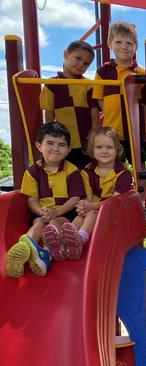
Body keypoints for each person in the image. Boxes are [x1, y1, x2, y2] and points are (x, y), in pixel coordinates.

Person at [5, 122, 84, 278]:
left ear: (68, 150)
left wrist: (56, 212)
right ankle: (23, 248)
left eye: (62, 145)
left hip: (64, 211)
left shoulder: (72, 170)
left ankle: (45, 253)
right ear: (39, 146)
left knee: (56, 223)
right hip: (42, 212)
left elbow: (75, 198)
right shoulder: (33, 171)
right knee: (39, 223)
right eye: (50, 143)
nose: (56, 148)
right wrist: (42, 211)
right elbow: (32, 200)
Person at [54, 127, 133, 262]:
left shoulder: (123, 173)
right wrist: (84, 205)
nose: (104, 151)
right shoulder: (87, 171)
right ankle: (64, 243)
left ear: (117, 149)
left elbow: (113, 203)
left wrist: (90, 206)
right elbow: (88, 196)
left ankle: (80, 239)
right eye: (99, 147)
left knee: (92, 213)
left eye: (109, 147)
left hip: (116, 214)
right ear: (92, 149)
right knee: (81, 215)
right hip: (95, 208)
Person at [92, 22, 146, 166]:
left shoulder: (141, 73)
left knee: (139, 165)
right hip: (113, 130)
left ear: (136, 46)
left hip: (136, 130)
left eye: (129, 43)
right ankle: (118, 189)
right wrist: (112, 111)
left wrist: (144, 122)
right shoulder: (103, 71)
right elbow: (99, 99)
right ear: (109, 43)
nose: (124, 46)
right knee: (114, 165)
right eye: (118, 42)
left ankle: (140, 189)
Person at [40, 40, 99, 169]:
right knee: (64, 173)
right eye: (78, 58)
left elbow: (94, 110)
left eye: (86, 64)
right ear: (66, 54)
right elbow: (49, 113)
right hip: (63, 142)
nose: (80, 65)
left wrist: (93, 133)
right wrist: (49, 135)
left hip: (85, 140)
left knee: (87, 173)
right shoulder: (51, 84)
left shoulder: (88, 85)